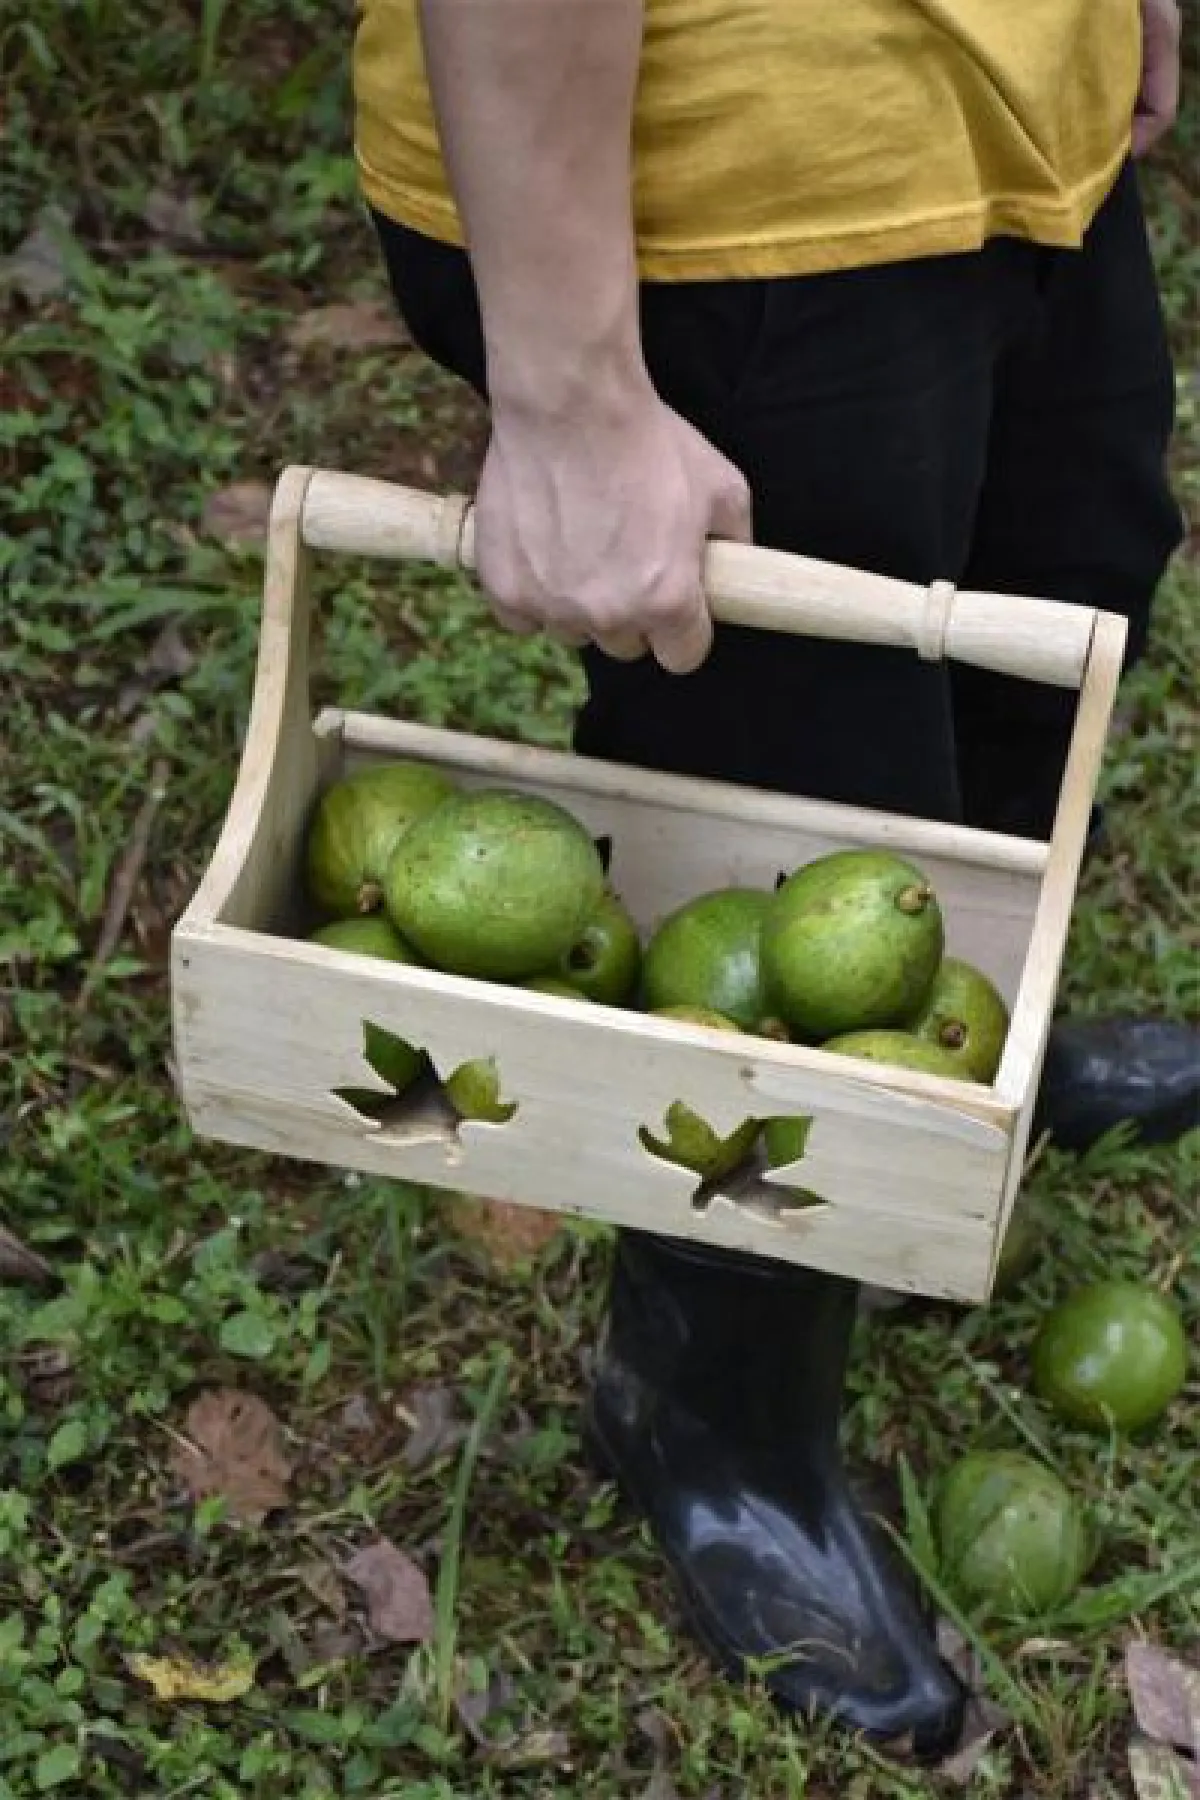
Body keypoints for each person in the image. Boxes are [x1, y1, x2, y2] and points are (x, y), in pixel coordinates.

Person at [352, 0, 1196, 1752]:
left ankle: (963, 1062)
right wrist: (574, 395)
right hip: (725, 169)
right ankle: (710, 1407)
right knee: (800, 782)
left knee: (1067, 574)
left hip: (1000, 108)